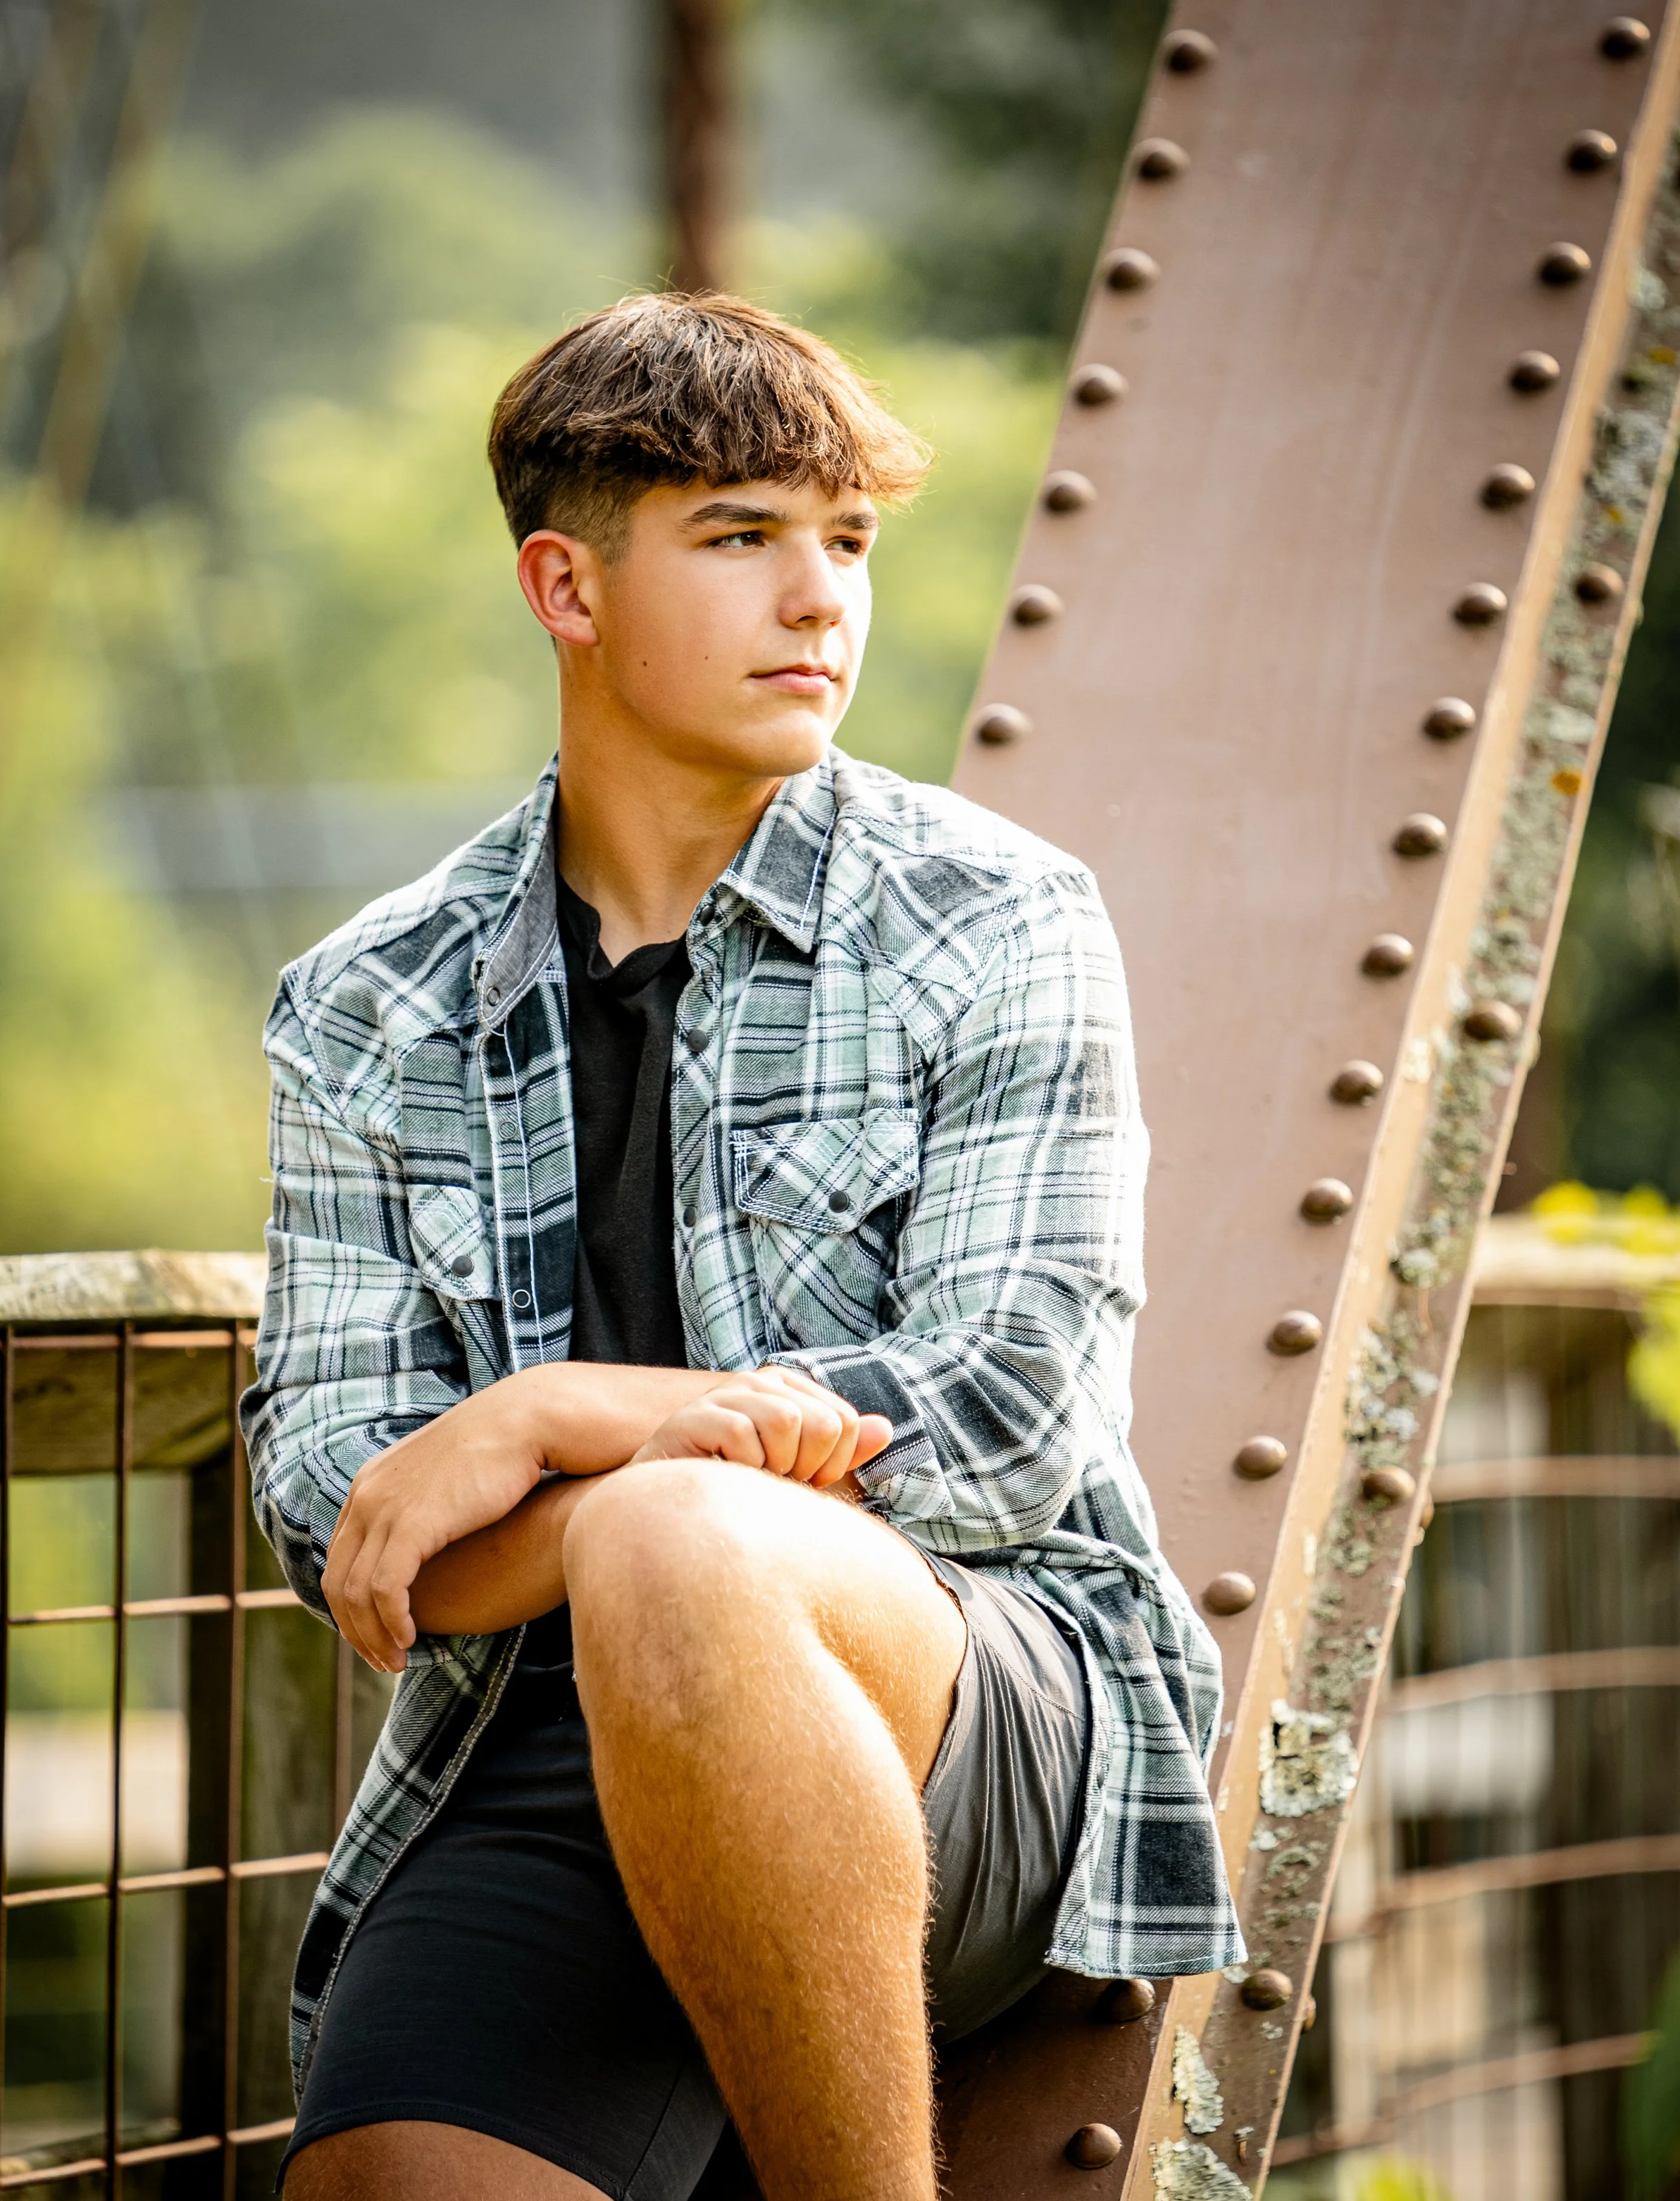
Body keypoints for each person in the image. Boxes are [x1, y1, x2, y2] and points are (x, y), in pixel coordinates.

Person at [243, 292, 1243, 2201]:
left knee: (673, 1535)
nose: (819, 602)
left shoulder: (989, 918)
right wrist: (571, 1493)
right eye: (738, 537)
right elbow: (341, 1518)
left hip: (967, 1714)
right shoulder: (367, 1003)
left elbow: (1010, 1408)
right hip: (529, 1760)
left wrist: (565, 1419)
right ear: (568, 585)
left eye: (845, 539)